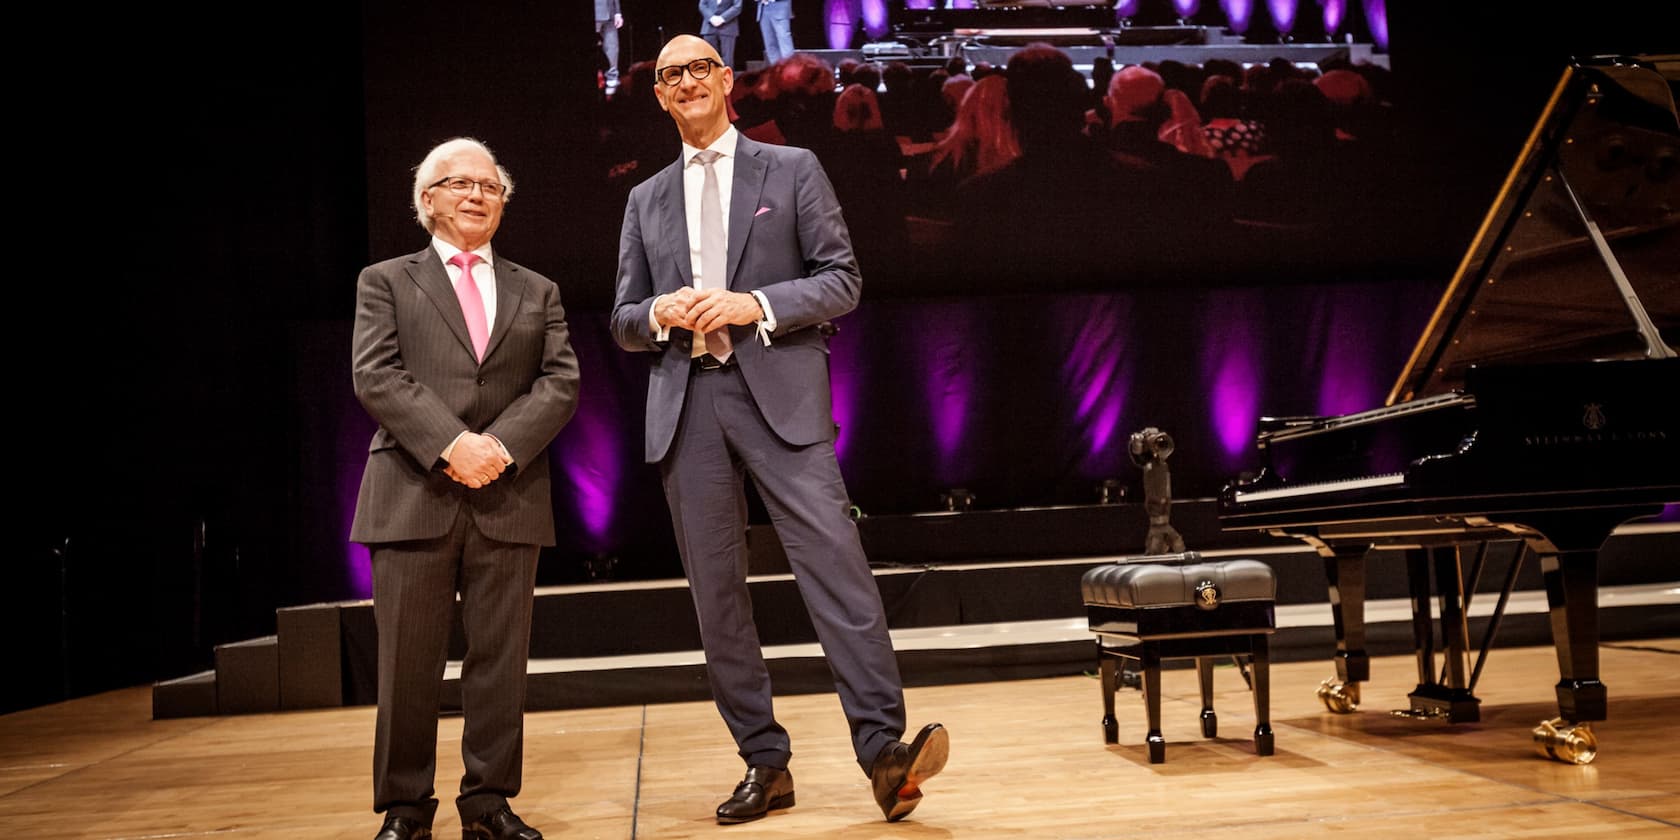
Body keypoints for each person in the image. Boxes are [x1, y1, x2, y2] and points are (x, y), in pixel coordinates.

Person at [610, 34, 948, 825]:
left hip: (780, 395)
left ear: (729, 81)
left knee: (838, 573)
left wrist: (753, 305)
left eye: (701, 68)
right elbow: (624, 316)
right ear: (659, 95)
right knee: (717, 598)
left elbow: (842, 279)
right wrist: (658, 312)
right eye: (671, 75)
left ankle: (883, 753)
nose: (688, 81)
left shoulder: (790, 168)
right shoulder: (644, 198)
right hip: (686, 404)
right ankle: (765, 761)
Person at [350, 137, 581, 840]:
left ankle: (488, 804)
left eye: (490, 186)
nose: (478, 194)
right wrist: (454, 446)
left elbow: (561, 381)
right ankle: (404, 809)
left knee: (500, 667)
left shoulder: (538, 289)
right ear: (428, 201)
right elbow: (377, 375)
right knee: (406, 667)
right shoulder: (385, 280)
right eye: (460, 184)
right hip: (413, 494)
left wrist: (499, 449)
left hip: (507, 498)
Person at [699, 0, 742, 69]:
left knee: (728, 58)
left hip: (728, 26)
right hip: (709, 27)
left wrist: (722, 18)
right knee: (709, 56)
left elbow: (737, 6)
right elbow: (702, 5)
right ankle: (711, 78)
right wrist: (711, 18)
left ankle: (727, 78)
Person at [594, 0, 624, 94]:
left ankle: (612, 78)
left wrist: (617, 12)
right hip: (595, 12)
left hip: (610, 13)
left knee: (612, 47)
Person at [757, 0, 795, 65]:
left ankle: (790, 71)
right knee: (770, 45)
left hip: (780, 8)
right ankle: (777, 71)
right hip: (763, 9)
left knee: (784, 43)